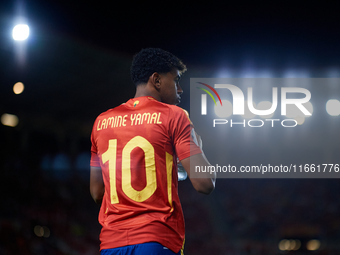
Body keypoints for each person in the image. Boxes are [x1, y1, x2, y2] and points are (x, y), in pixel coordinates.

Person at [90, 48, 216, 255]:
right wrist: (197, 145)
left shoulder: (101, 122)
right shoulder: (175, 116)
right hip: (157, 240)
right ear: (156, 80)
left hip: (111, 244)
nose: (180, 89)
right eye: (175, 80)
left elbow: (97, 193)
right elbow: (205, 183)